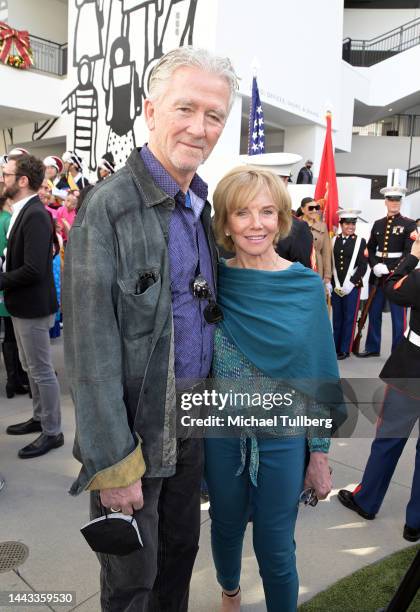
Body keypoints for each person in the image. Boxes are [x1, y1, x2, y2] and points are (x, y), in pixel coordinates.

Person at [63, 47, 238, 611]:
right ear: (150, 110)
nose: (200, 127)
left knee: (180, 556)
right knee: (132, 580)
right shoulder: (108, 207)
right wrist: (114, 465)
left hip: (191, 424)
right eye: (186, 108)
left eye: (215, 116)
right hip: (134, 435)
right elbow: (89, 354)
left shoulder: (199, 205)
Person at [207, 165, 339, 612]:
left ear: (281, 218)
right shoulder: (214, 285)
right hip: (222, 437)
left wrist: (318, 454)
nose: (256, 224)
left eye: (267, 211)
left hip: (285, 439)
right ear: (225, 222)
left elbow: (320, 373)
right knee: (224, 527)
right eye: (242, 213)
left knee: (276, 547)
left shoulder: (304, 287)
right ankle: (229, 591)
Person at [338, 234, 420, 542]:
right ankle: (415, 523)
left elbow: (392, 288)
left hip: (412, 371)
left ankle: (367, 501)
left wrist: (412, 256)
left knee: (388, 440)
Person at [1, 154, 63, 458]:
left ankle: (53, 432)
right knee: (31, 368)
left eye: (7, 174)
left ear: (22, 181)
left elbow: (34, 269)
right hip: (22, 305)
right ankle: (40, 418)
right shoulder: (24, 211)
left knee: (41, 371)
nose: (3, 179)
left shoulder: (36, 214)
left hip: (33, 307)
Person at [357, 185, 416, 357]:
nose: (394, 203)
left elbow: (409, 253)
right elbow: (369, 248)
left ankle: (397, 352)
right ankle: (372, 347)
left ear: (401, 201)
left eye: (397, 200)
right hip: (377, 277)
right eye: (391, 200)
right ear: (385, 202)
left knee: (399, 317)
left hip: (397, 277)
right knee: (373, 313)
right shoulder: (378, 224)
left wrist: (391, 269)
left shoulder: (409, 224)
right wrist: (374, 265)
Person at [0, 193, 30, 398]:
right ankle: (17, 378)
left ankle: (14, 379)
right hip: (10, 281)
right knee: (14, 333)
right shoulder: (8, 220)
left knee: (8, 334)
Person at [331, 209, 368, 360]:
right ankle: (335, 346)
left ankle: (345, 349)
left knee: (349, 318)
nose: (351, 226)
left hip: (351, 287)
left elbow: (363, 265)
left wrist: (352, 283)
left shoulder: (361, 241)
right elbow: (331, 262)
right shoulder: (333, 240)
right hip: (336, 286)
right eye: (347, 224)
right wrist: (330, 282)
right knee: (337, 317)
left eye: (353, 223)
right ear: (341, 224)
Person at [300, 196, 332, 285]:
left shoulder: (323, 226)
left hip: (318, 267)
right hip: (300, 266)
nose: (314, 210)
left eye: (317, 208)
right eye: (311, 208)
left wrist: (327, 275)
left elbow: (326, 252)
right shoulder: (295, 225)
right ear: (303, 209)